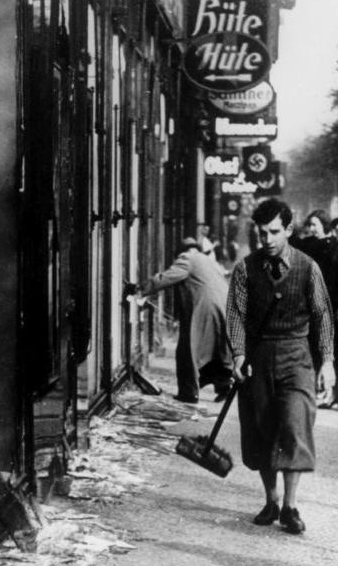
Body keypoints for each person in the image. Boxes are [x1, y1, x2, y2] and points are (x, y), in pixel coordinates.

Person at [226, 198, 335, 534]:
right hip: (258, 359)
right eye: (262, 233)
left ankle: (290, 506)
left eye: (274, 232)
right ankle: (271, 500)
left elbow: (321, 316)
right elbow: (235, 316)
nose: (268, 239)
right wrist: (240, 356)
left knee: (294, 426)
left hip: (297, 357)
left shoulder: (308, 268)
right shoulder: (246, 269)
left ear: (288, 229)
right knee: (261, 429)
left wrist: (327, 362)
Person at [141, 237, 233, 404]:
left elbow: (166, 278)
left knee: (187, 349)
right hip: (223, 307)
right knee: (218, 349)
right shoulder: (207, 259)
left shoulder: (187, 258)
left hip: (206, 309)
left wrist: (140, 288)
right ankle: (224, 386)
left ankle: (189, 392)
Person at [290, 209, 338, 406]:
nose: (311, 229)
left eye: (314, 225)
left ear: (325, 226)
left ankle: (327, 390)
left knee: (325, 347)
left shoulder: (332, 247)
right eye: (309, 225)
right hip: (312, 302)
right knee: (314, 345)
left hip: (329, 303)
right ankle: (320, 388)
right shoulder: (311, 245)